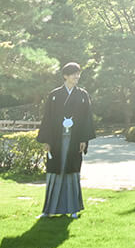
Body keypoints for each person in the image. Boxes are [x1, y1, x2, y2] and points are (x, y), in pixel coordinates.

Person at [36, 62, 94, 218]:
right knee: (55, 172)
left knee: (71, 171)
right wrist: (47, 141)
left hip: (74, 139)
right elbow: (47, 118)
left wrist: (83, 139)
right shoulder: (54, 95)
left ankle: (73, 208)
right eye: (74, 73)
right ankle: (48, 210)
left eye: (78, 73)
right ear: (65, 76)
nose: (77, 76)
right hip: (56, 139)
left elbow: (87, 119)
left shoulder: (82, 95)